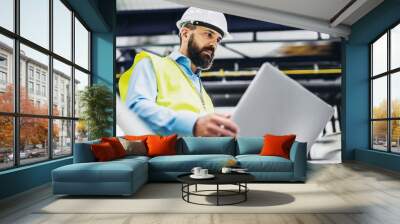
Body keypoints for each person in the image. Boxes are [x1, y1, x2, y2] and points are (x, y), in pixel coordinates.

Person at [119, 7, 239, 137]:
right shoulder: (151, 64)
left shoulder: (203, 95)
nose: (213, 44)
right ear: (185, 33)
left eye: (218, 40)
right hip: (164, 156)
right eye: (209, 34)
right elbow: (135, 111)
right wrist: (193, 125)